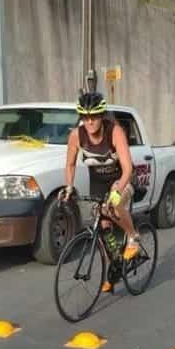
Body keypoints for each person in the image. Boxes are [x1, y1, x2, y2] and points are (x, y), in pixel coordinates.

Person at [60, 91, 139, 293]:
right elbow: (70, 165)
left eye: (94, 116)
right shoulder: (76, 136)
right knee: (102, 229)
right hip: (98, 183)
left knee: (114, 204)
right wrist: (68, 186)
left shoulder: (115, 132)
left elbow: (128, 168)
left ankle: (133, 236)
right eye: (85, 117)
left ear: (102, 115)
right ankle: (113, 269)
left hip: (123, 178)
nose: (90, 122)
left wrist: (118, 191)